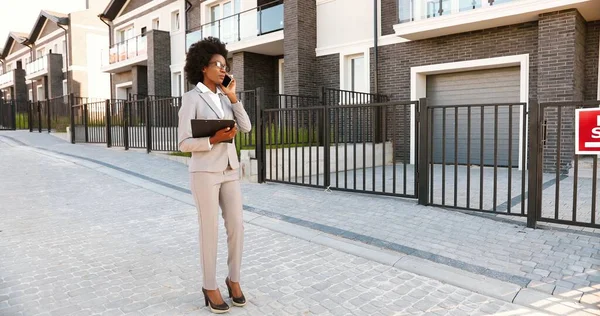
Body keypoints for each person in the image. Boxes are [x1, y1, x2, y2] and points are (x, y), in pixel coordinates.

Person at [177, 37, 251, 314]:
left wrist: (233, 97)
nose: (222, 69)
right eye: (216, 64)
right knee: (209, 229)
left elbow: (246, 127)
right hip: (205, 172)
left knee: (237, 226)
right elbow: (183, 143)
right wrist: (213, 139)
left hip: (230, 170)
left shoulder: (224, 97)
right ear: (202, 67)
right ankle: (209, 285)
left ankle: (233, 279)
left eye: (225, 64)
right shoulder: (191, 99)